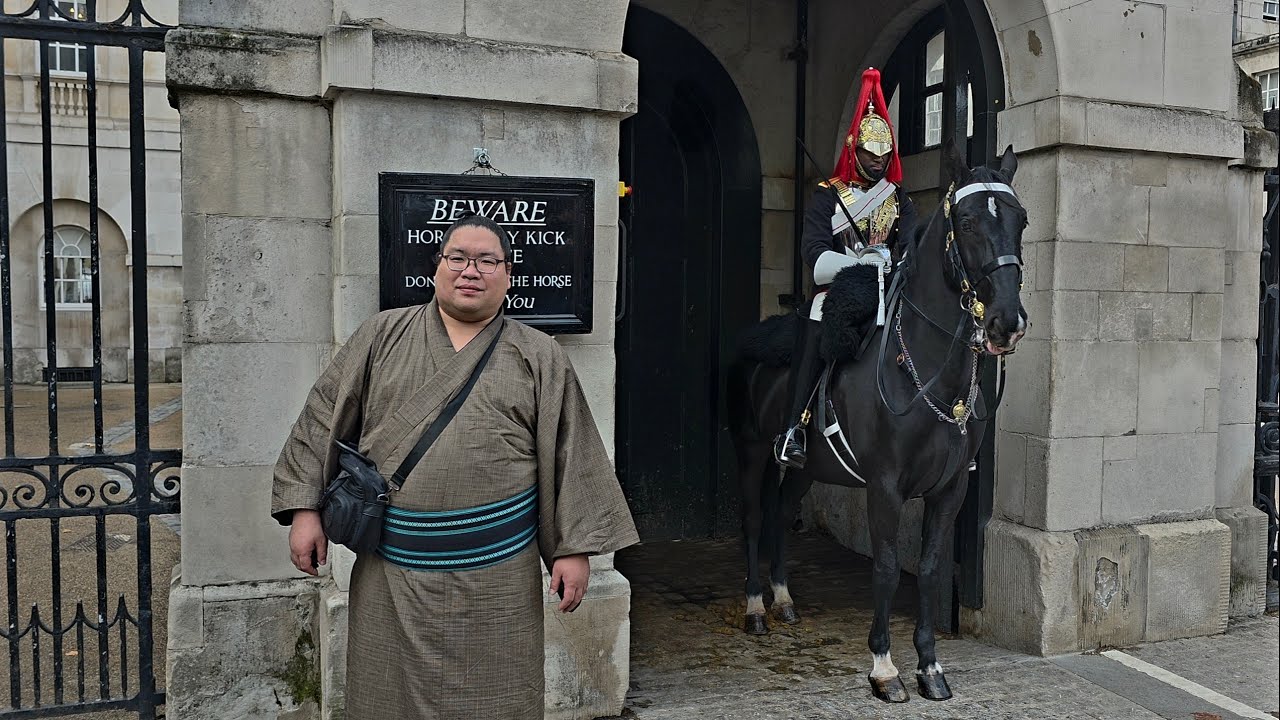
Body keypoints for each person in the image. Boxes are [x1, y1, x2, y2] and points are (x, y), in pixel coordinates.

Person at [271, 214, 640, 720]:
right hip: (393, 570)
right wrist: (304, 511)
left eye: (488, 260)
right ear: (437, 267)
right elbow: (321, 419)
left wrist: (573, 550)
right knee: (386, 699)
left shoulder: (539, 355)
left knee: (499, 700)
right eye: (458, 258)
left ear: (508, 276)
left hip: (498, 575)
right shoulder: (381, 335)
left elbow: (571, 451)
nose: (472, 270)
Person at [774, 67, 919, 470]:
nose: (878, 161)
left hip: (888, 288)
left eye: (884, 154)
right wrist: (857, 260)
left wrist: (892, 260)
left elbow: (909, 248)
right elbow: (815, 256)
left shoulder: (899, 200)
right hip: (838, 289)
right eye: (871, 153)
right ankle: (793, 429)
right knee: (818, 319)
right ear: (855, 148)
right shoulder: (827, 198)